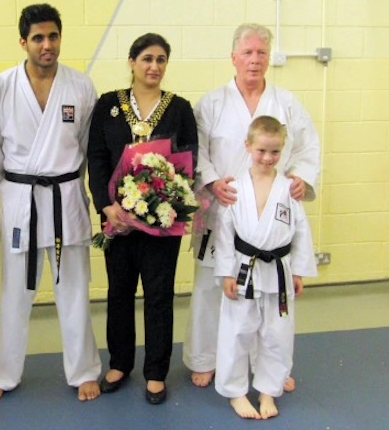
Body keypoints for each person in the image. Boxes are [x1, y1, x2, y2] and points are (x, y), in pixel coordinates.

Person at [183, 23, 321, 389]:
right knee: (212, 286)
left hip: (270, 214)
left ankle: (268, 368)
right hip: (220, 207)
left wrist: (300, 179)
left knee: (268, 293)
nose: (254, 60)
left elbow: (308, 148)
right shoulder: (211, 103)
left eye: (261, 52)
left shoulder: (287, 103)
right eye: (247, 52)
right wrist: (212, 180)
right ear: (233, 57)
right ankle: (205, 358)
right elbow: (195, 150)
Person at [0, 3, 101, 404]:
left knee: (74, 292)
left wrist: (79, 195)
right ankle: (1, 373)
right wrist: (10, 198)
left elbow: (88, 150)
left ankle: (83, 370)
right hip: (20, 202)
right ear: (23, 42)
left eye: (53, 36)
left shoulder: (81, 86)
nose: (47, 45)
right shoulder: (0, 86)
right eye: (38, 38)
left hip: (66, 200)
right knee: (14, 293)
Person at [87, 33, 198, 405]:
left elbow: (188, 163)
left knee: (159, 295)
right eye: (147, 58)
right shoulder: (107, 105)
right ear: (131, 61)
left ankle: (155, 372)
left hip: (161, 222)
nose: (154, 66)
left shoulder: (180, 108)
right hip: (117, 221)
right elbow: (97, 158)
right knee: (118, 292)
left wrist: (164, 204)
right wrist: (107, 206)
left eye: (161, 59)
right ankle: (119, 362)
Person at [214, 115, 317, 419]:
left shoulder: (289, 188)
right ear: (248, 146)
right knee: (237, 331)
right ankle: (235, 392)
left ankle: (269, 389)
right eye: (262, 150)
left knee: (277, 333)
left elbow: (300, 231)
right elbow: (223, 234)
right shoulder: (235, 187)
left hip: (279, 271)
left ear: (282, 151)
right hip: (244, 268)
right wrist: (226, 273)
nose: (268, 158)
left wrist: (297, 270)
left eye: (275, 152)